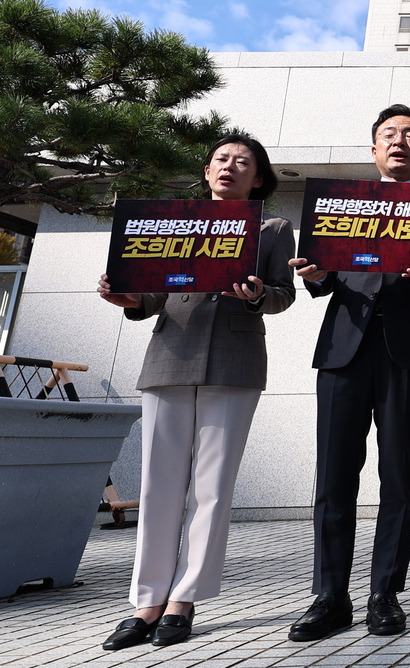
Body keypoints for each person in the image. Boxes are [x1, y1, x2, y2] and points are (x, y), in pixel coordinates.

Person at [98, 132, 296, 650]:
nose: (229, 167)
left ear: (259, 178)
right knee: (159, 485)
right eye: (220, 160)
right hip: (169, 355)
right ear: (207, 172)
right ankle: (146, 603)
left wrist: (258, 296)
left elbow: (283, 294)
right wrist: (128, 297)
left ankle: (184, 599)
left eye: (242, 162)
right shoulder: (174, 223)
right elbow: (154, 294)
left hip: (236, 358)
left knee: (211, 490)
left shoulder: (273, 229)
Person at [287, 104, 410, 641]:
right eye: (390, 135)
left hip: (408, 349)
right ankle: (329, 597)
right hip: (345, 347)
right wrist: (314, 275)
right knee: (333, 477)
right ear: (373, 149)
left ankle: (384, 593)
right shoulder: (342, 205)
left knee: (399, 477)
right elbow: (319, 279)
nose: (400, 142)